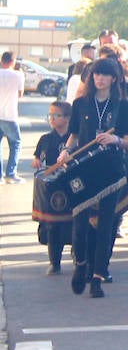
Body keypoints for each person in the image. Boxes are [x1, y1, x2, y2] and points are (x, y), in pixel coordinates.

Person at [63, 57, 128, 298]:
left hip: (111, 170)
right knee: (79, 221)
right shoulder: (80, 104)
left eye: (105, 75)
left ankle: (98, 276)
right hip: (83, 169)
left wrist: (116, 140)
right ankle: (81, 264)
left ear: (114, 79)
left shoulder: (126, 107)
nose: (100, 78)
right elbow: (74, 135)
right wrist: (65, 151)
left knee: (107, 224)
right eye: (96, 74)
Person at [32, 101, 73, 273]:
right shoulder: (46, 139)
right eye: (50, 115)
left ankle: (77, 254)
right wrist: (37, 162)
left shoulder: (74, 138)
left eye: (56, 115)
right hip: (52, 189)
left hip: (70, 185)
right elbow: (38, 158)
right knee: (52, 226)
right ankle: (54, 262)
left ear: (67, 118)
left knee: (73, 224)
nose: (52, 118)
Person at [0, 51, 24, 183]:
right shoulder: (17, 75)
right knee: (15, 144)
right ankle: (11, 173)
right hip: (10, 115)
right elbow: (20, 94)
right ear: (12, 61)